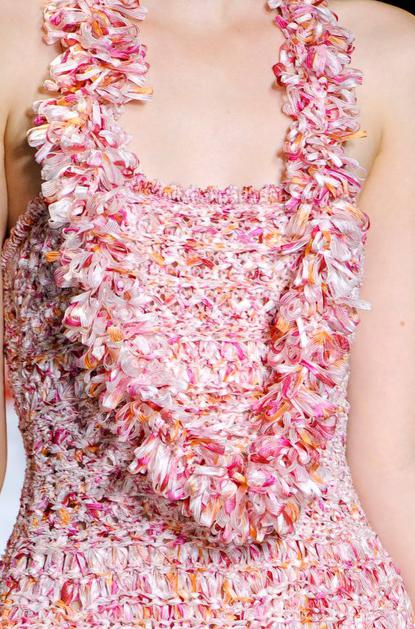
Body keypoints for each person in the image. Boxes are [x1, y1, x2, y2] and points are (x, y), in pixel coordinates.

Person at [0, 0, 414, 626]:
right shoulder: (16, 41)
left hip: (342, 604)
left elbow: (390, 462)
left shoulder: (385, 52)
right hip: (75, 604)